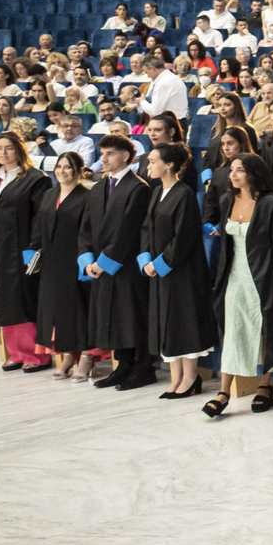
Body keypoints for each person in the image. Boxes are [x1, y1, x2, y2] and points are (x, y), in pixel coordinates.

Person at [207, 152, 273, 416]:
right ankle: (224, 391)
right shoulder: (226, 199)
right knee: (233, 329)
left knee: (264, 328)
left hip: (263, 274)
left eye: (239, 170)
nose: (233, 175)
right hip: (233, 275)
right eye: (231, 170)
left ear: (253, 173)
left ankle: (265, 385)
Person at [138, 142, 216, 402]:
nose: (148, 165)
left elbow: (183, 238)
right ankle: (176, 379)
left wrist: (159, 264)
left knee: (184, 322)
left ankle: (190, 378)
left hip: (182, 271)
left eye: (152, 161)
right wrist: (146, 260)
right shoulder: (157, 190)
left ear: (168, 164)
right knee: (168, 323)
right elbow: (147, 228)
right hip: (161, 271)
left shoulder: (183, 194)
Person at [79, 134, 152, 388]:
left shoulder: (138, 188)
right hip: (100, 266)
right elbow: (85, 228)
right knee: (112, 318)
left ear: (125, 156)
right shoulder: (98, 187)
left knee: (132, 317)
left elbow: (130, 231)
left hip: (125, 266)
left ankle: (143, 368)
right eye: (103, 154)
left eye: (110, 153)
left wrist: (104, 262)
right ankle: (123, 366)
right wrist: (87, 260)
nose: (104, 158)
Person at [0, 131, 51, 370]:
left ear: (19, 150)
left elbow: (40, 218)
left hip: (22, 249)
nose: (3, 153)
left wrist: (35, 251)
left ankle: (36, 355)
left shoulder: (36, 179)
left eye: (8, 148)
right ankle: (16, 352)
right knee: (2, 299)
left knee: (23, 298)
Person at [30, 151, 101, 380]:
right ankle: (69, 355)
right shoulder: (50, 195)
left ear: (79, 171)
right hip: (52, 264)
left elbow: (89, 232)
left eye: (68, 167)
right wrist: (33, 258)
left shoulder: (87, 196)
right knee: (60, 313)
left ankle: (88, 357)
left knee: (80, 311)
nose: (62, 171)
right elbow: (38, 228)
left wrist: (87, 262)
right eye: (59, 166)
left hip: (76, 263)